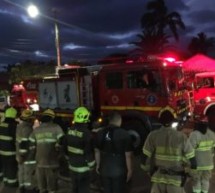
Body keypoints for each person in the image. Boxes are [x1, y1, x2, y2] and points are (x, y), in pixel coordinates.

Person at [141, 113, 197, 193]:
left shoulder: (153, 135)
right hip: (176, 181)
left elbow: (144, 157)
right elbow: (193, 161)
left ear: (160, 121)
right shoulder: (181, 137)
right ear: (173, 122)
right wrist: (190, 175)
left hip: (158, 180)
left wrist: (149, 172)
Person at [95, 112, 133, 193]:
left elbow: (96, 151)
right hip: (119, 170)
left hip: (104, 169)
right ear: (120, 121)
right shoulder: (125, 134)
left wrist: (98, 165)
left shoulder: (99, 133)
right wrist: (130, 170)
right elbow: (128, 155)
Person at [29, 109, 64, 193]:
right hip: (52, 162)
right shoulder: (56, 127)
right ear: (52, 118)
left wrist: (33, 156)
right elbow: (62, 140)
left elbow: (31, 143)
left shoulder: (37, 130)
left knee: (42, 187)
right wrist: (59, 151)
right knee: (52, 187)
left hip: (39, 162)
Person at [62, 106, 95, 193]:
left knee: (75, 189)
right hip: (83, 169)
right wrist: (92, 167)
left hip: (72, 167)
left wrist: (69, 159)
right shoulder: (87, 134)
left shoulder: (69, 131)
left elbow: (64, 149)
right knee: (83, 189)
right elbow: (89, 153)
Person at [189, 119, 215, 193]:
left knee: (196, 180)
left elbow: (190, 150)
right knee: (206, 180)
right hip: (209, 163)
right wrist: (211, 155)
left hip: (197, 164)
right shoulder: (212, 134)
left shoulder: (194, 134)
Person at [16, 109, 37, 193]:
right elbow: (24, 143)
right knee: (28, 173)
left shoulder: (20, 126)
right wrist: (23, 155)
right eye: (32, 118)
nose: (33, 120)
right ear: (28, 119)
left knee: (21, 171)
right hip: (27, 156)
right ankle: (29, 189)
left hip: (20, 155)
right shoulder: (27, 128)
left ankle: (22, 186)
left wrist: (20, 156)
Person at [0, 107, 18, 187]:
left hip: (1, 151)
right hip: (10, 152)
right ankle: (11, 183)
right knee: (11, 168)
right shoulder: (13, 126)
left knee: (4, 166)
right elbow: (16, 140)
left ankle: (5, 180)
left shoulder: (1, 124)